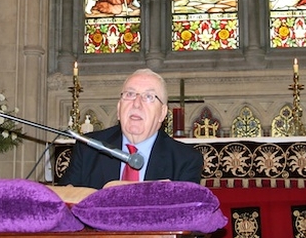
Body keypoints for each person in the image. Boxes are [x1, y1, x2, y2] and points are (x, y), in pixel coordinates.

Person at [58, 69, 204, 189]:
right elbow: (66, 205)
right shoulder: (89, 148)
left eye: (148, 96)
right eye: (130, 94)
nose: (136, 104)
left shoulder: (185, 160)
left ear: (162, 113)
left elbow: (184, 217)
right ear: (119, 107)